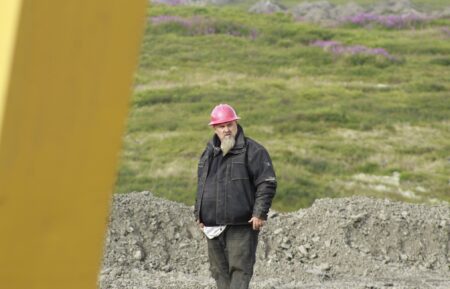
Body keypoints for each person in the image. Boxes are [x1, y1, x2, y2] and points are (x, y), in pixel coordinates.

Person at [194, 103, 277, 289]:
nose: (226, 130)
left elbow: (267, 182)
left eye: (230, 125)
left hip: (242, 224)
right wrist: (198, 214)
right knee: (218, 272)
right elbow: (201, 185)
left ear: (236, 124)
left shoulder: (254, 151)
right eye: (222, 126)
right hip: (212, 225)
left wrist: (259, 213)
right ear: (215, 128)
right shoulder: (207, 155)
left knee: (240, 270)